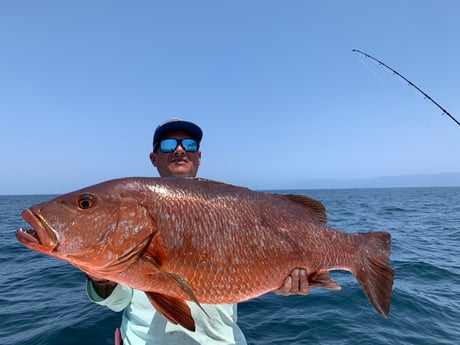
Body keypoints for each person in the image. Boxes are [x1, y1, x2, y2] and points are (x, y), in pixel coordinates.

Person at [86, 118, 310, 345]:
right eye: (168, 144)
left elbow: (259, 268)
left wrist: (282, 280)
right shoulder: (134, 209)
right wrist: (100, 279)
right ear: (153, 158)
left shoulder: (230, 209)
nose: (180, 150)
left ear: (199, 156)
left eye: (189, 144)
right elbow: (118, 302)